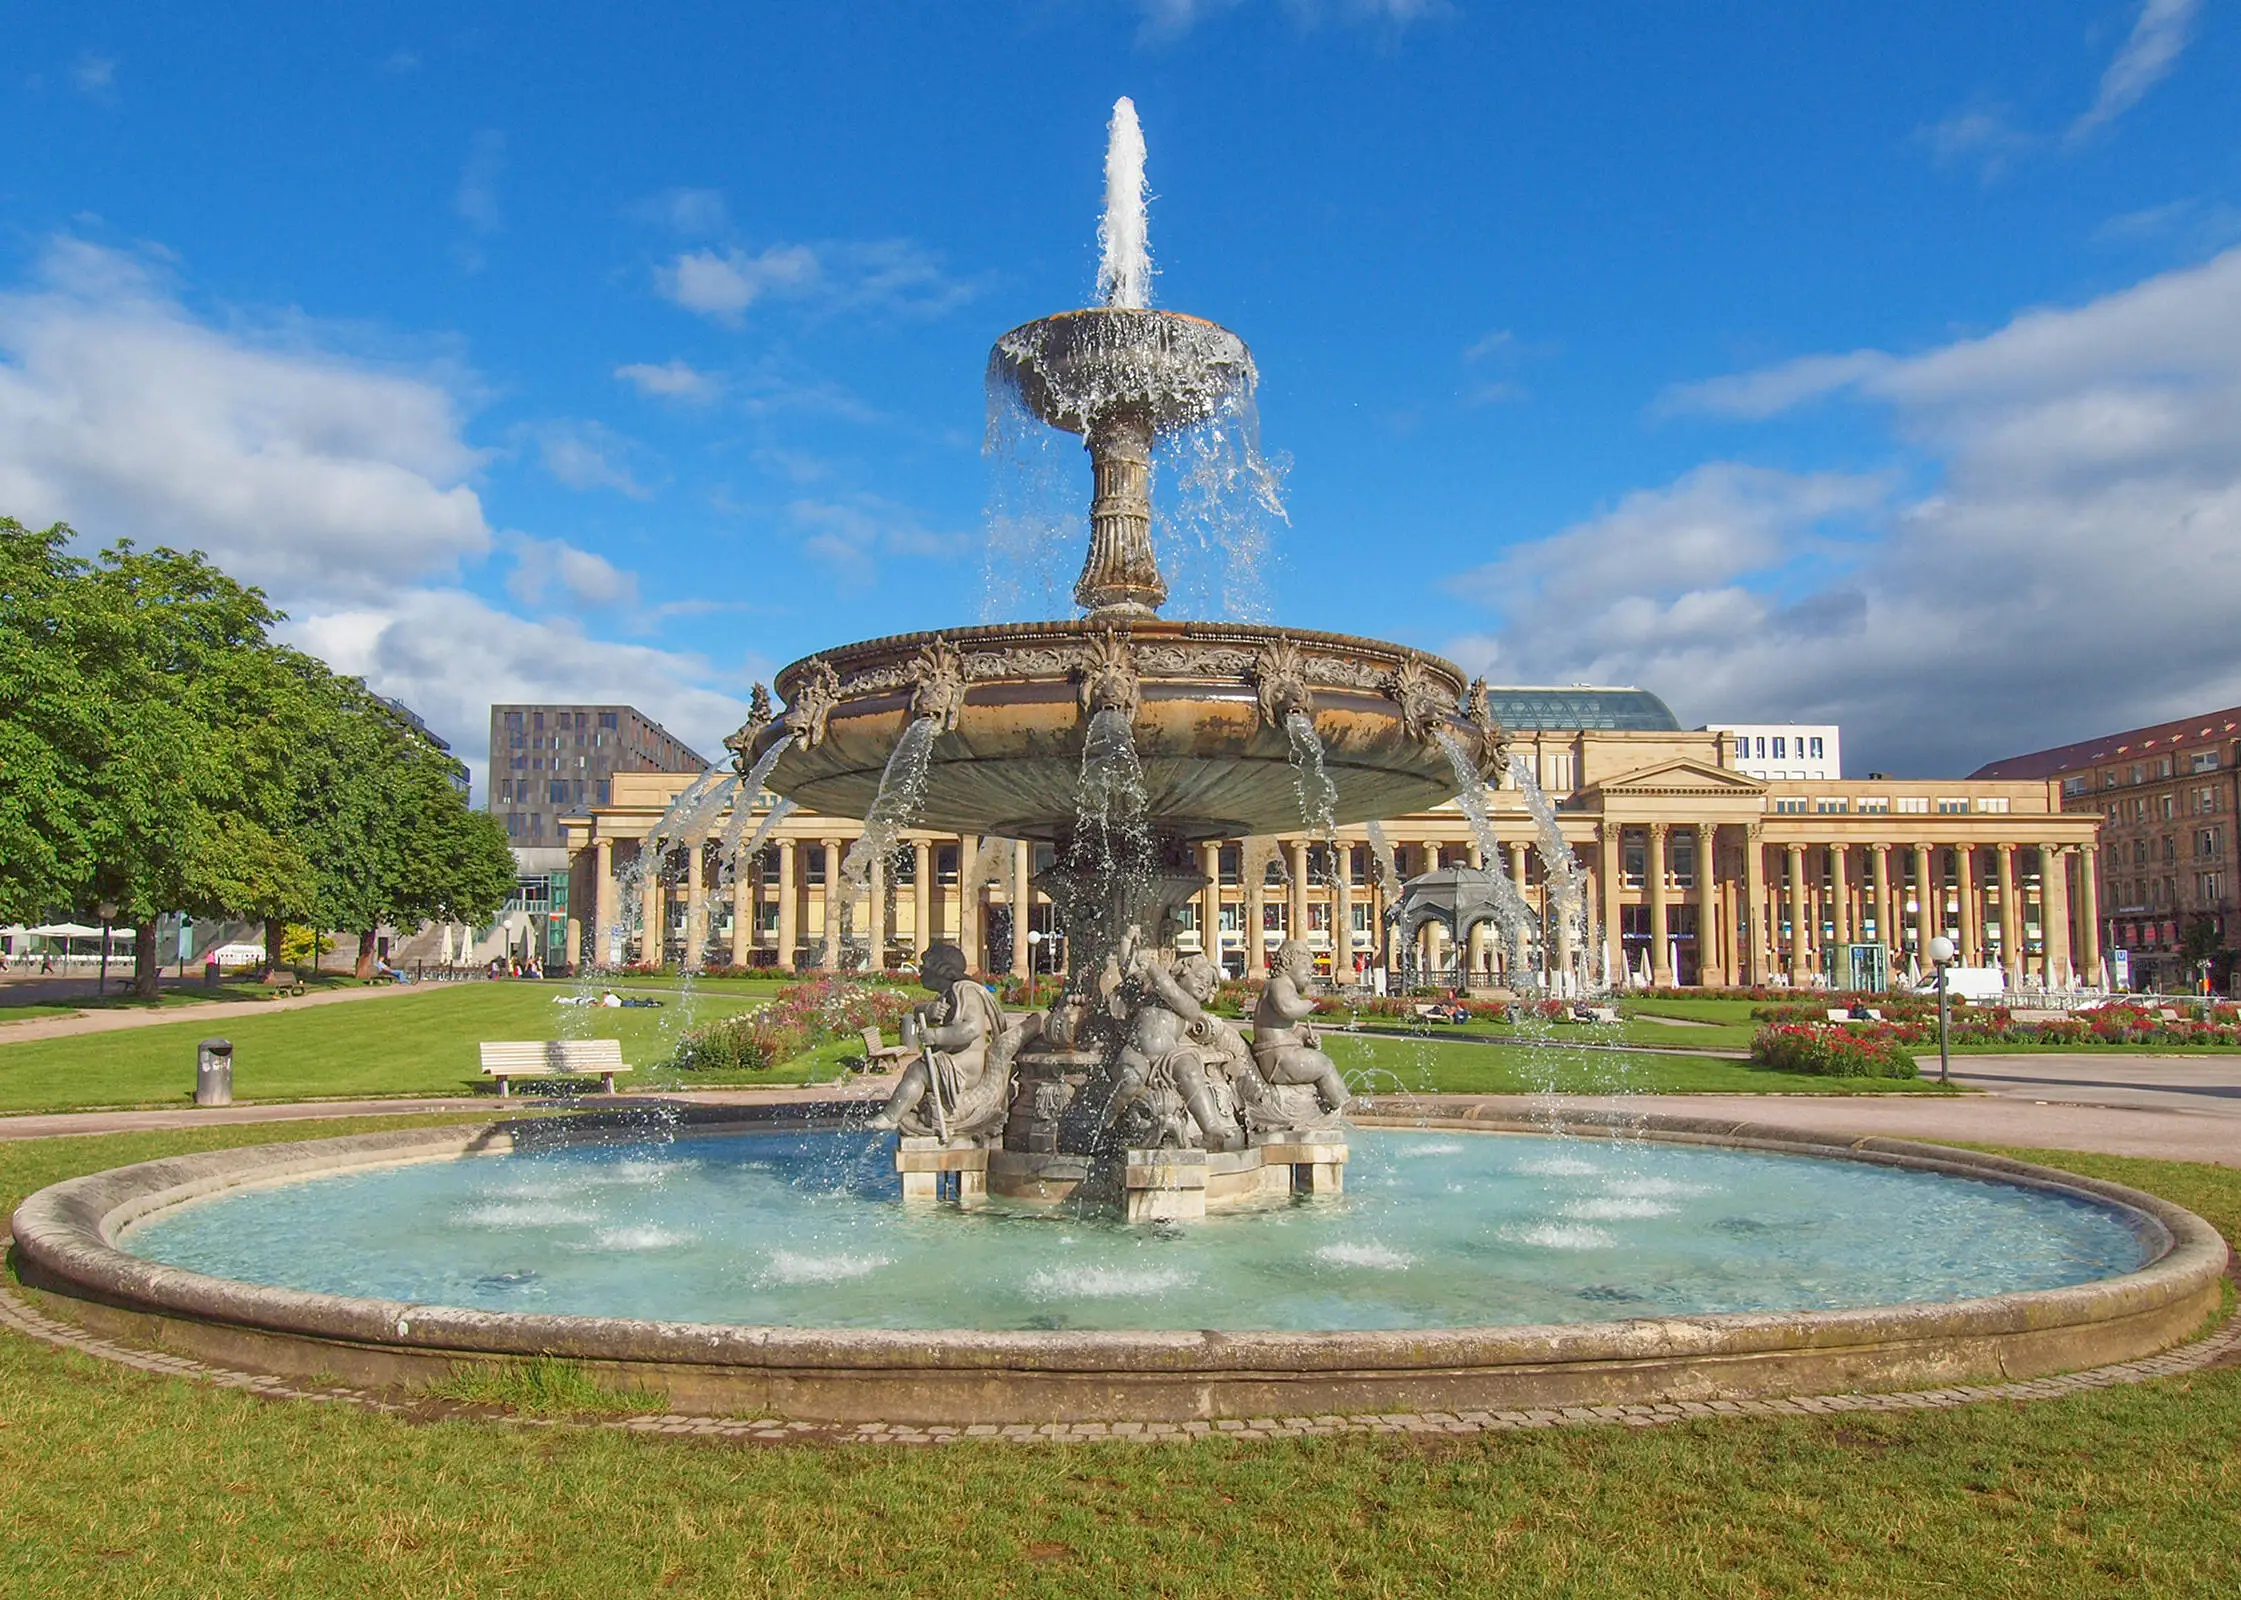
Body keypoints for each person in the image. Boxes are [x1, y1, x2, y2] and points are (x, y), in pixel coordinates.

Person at [867, 943, 1009, 1137]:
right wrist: (927, 1010)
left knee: (918, 1071)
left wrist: (936, 1035)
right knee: (918, 1069)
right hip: (956, 1060)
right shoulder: (948, 994)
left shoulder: (965, 991)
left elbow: (971, 1029)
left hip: (967, 1067)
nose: (921, 971)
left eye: (925, 966)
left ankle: (891, 1117)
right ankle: (904, 1114)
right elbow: (918, 1011)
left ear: (942, 970)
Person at [1250, 938, 1351, 1113]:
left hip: (1281, 1054)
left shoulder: (1284, 986)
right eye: (1305, 964)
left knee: (1319, 1061)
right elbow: (1288, 1009)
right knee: (1324, 1065)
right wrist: (1310, 1004)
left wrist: (1306, 1036)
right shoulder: (1279, 983)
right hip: (1277, 1058)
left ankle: (1325, 1108)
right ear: (1288, 963)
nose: (1310, 971)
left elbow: (1289, 1028)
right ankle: (1339, 1106)